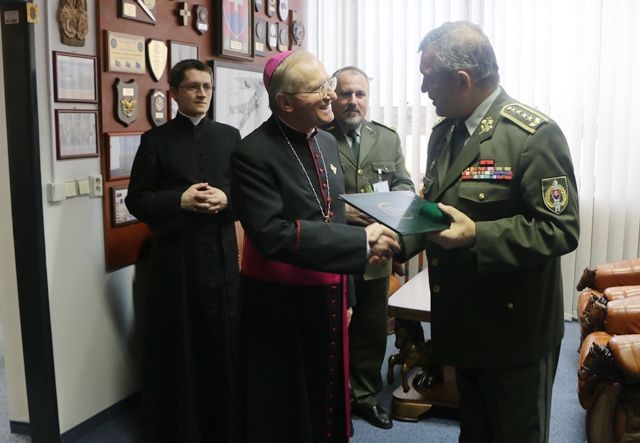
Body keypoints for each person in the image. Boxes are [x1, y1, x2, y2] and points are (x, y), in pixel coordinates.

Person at [414, 21, 580, 442]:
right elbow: (440, 210)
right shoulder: (444, 134)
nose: (423, 89)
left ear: (462, 80)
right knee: (475, 432)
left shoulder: (533, 136)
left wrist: (479, 235)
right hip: (464, 322)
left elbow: (560, 229)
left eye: (429, 78)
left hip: (514, 334)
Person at [231, 51, 400, 442]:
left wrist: (349, 293)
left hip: (330, 292)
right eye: (318, 88)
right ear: (285, 102)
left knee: (326, 394)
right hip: (279, 302)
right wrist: (361, 240)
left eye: (328, 84)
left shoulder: (325, 141)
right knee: (285, 402)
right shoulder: (251, 153)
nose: (331, 95)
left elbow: (332, 216)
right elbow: (271, 234)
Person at [126, 59, 241, 443]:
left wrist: (227, 199)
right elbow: (137, 200)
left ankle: (224, 424)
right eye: (192, 87)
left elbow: (250, 194)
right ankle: (182, 427)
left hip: (222, 256)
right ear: (174, 93)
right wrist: (180, 200)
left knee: (223, 336)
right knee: (182, 340)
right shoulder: (155, 141)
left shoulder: (230, 136)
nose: (202, 93)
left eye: (207, 86)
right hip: (177, 259)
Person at [323, 66, 414, 430]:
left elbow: (403, 184)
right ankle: (332, 396)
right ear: (333, 96)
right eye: (345, 94)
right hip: (335, 250)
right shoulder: (318, 136)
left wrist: (390, 209)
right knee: (331, 326)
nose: (353, 101)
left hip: (377, 251)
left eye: (359, 94)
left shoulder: (386, 139)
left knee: (371, 328)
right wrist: (346, 213)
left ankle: (364, 396)